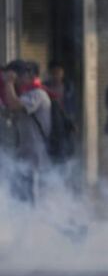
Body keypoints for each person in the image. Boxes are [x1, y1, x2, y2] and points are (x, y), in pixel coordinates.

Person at [1, 60, 52, 204]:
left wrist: (8, 83)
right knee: (20, 198)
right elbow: (9, 110)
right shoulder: (25, 95)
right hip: (23, 157)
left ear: (25, 75)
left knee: (32, 200)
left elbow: (14, 104)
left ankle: (35, 225)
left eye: (14, 77)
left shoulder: (38, 94)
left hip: (36, 159)